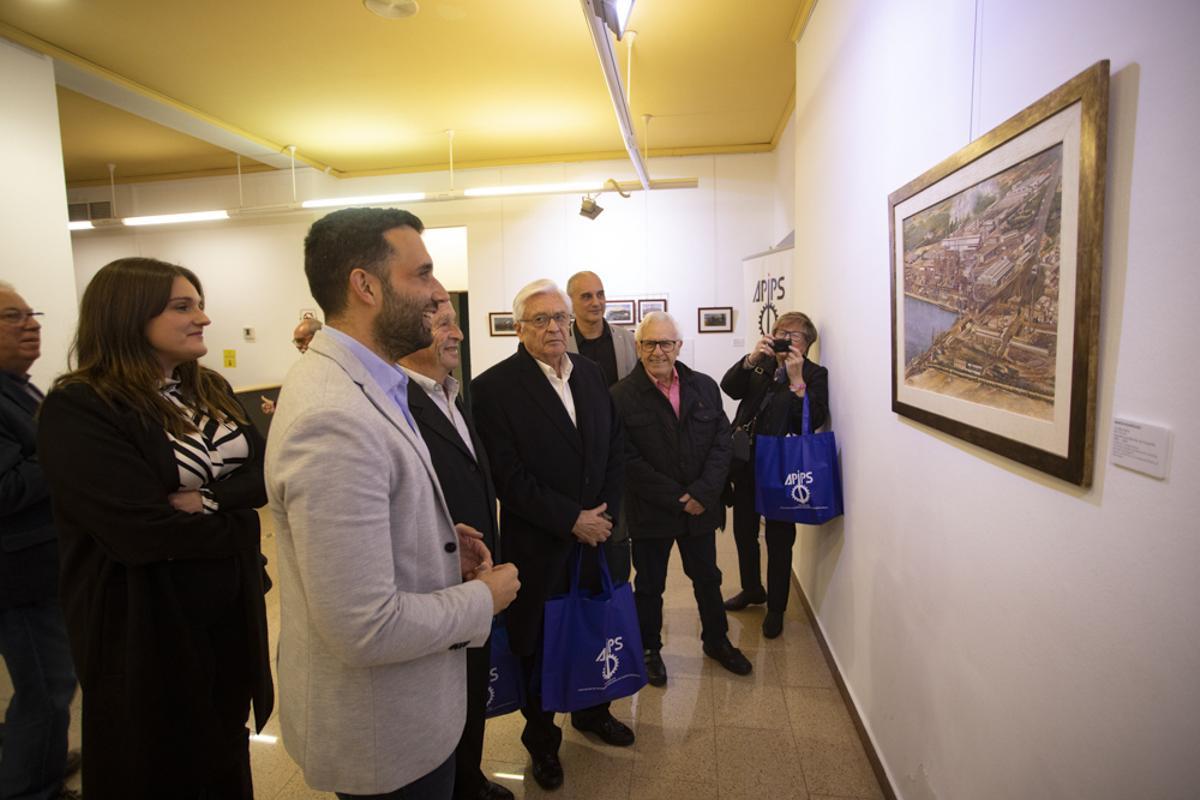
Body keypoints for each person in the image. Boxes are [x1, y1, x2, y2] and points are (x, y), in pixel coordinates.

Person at [266, 207, 519, 800]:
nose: (437, 295)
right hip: (383, 735)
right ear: (366, 285)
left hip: (405, 717)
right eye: (423, 274)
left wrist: (434, 541)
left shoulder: (370, 384)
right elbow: (364, 626)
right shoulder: (333, 415)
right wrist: (483, 598)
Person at [36, 258, 275, 799]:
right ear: (128, 315)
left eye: (199, 303)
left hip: (228, 611)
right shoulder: (82, 405)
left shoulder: (207, 386)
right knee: (155, 764)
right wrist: (240, 528)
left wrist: (211, 499)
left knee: (223, 752)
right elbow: (139, 533)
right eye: (182, 306)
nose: (204, 319)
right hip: (142, 626)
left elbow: (266, 474)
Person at [472, 279, 631, 793]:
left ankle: (592, 710)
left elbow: (612, 447)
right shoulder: (494, 388)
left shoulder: (590, 373)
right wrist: (572, 519)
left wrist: (601, 517)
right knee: (539, 646)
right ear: (519, 328)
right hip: (540, 547)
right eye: (540, 320)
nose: (554, 328)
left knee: (591, 627)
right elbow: (509, 477)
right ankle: (542, 742)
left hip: (597, 538)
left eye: (559, 318)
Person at [397, 304, 513, 800]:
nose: (458, 333)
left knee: (471, 686)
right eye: (443, 323)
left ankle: (469, 778)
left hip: (473, 571)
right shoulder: (398, 401)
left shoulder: (450, 394)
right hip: (435, 582)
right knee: (446, 695)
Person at [610, 311, 752, 686]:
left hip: (701, 509)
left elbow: (722, 442)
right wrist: (678, 497)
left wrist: (703, 493)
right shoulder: (621, 396)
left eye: (666, 343)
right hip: (652, 512)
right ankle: (648, 648)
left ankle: (717, 641)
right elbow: (627, 460)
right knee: (650, 585)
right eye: (650, 343)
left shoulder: (704, 387)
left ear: (679, 346)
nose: (659, 351)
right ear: (638, 347)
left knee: (708, 578)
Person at [0, 282, 80, 800]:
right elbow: (6, 489)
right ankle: (27, 789)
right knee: (46, 688)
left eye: (33, 314)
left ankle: (46, 765)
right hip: (19, 577)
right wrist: (67, 447)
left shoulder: (20, 386)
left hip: (47, 566)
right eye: (13, 317)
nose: (32, 325)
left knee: (58, 683)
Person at [721, 311, 829, 639]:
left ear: (807, 343)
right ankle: (753, 588)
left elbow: (812, 421)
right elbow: (729, 387)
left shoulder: (815, 374)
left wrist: (798, 383)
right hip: (746, 461)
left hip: (783, 467)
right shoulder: (763, 365)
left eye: (793, 335)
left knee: (779, 539)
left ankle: (777, 608)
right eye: (780, 331)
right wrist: (751, 358)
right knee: (743, 532)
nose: (784, 338)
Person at [565, 270, 637, 387]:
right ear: (570, 302)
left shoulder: (629, 340)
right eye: (587, 296)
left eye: (600, 295)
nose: (596, 303)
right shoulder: (562, 345)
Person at [261, 318, 323, 414]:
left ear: (316, 337)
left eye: (300, 340)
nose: (298, 346)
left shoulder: (328, 366)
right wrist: (276, 406)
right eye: (296, 341)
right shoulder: (306, 365)